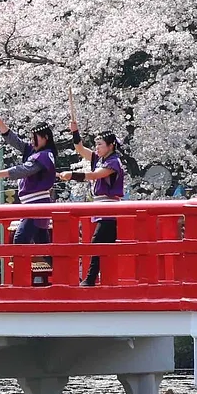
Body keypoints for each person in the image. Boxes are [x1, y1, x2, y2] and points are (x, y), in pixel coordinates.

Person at [0, 97, 56, 247]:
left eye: (36, 138)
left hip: (37, 203)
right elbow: (14, 140)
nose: (32, 141)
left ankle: (21, 270)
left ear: (45, 138)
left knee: (20, 239)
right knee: (43, 246)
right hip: (31, 203)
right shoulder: (34, 151)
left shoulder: (45, 155)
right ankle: (61, 271)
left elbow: (24, 170)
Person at [59, 114, 123, 287]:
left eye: (100, 144)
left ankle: (90, 280)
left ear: (111, 146)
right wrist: (75, 131)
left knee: (96, 244)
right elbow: (79, 148)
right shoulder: (99, 159)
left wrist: (73, 175)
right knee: (101, 246)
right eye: (96, 144)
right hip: (100, 209)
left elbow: (95, 175)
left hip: (109, 208)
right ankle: (96, 280)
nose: (97, 147)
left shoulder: (114, 162)